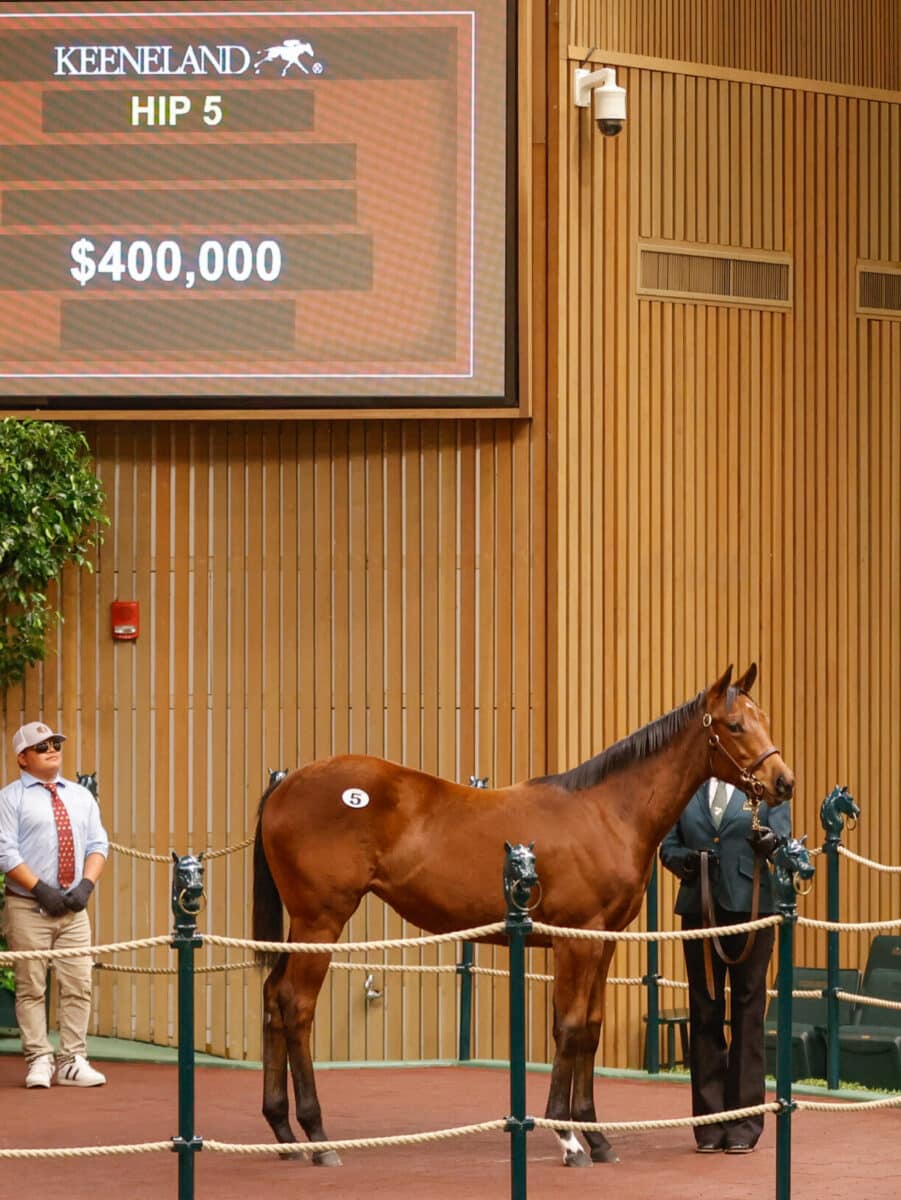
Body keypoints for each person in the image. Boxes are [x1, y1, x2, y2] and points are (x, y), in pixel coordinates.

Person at [659, 776, 790, 1153]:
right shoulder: (686, 788)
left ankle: (745, 1123)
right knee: (704, 1010)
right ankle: (709, 1123)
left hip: (753, 909)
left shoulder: (767, 788)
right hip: (700, 910)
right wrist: (688, 862)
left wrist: (771, 844)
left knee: (749, 1012)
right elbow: (668, 846)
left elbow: (782, 842)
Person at [0, 721, 109, 1088]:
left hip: (74, 909)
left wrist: (86, 886)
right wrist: (40, 889)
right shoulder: (9, 798)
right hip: (28, 907)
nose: (51, 748)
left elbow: (98, 845)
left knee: (79, 983)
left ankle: (73, 1059)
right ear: (23, 758)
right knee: (31, 986)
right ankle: (39, 1059)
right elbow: (4, 852)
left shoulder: (80, 797)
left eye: (55, 742)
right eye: (41, 745)